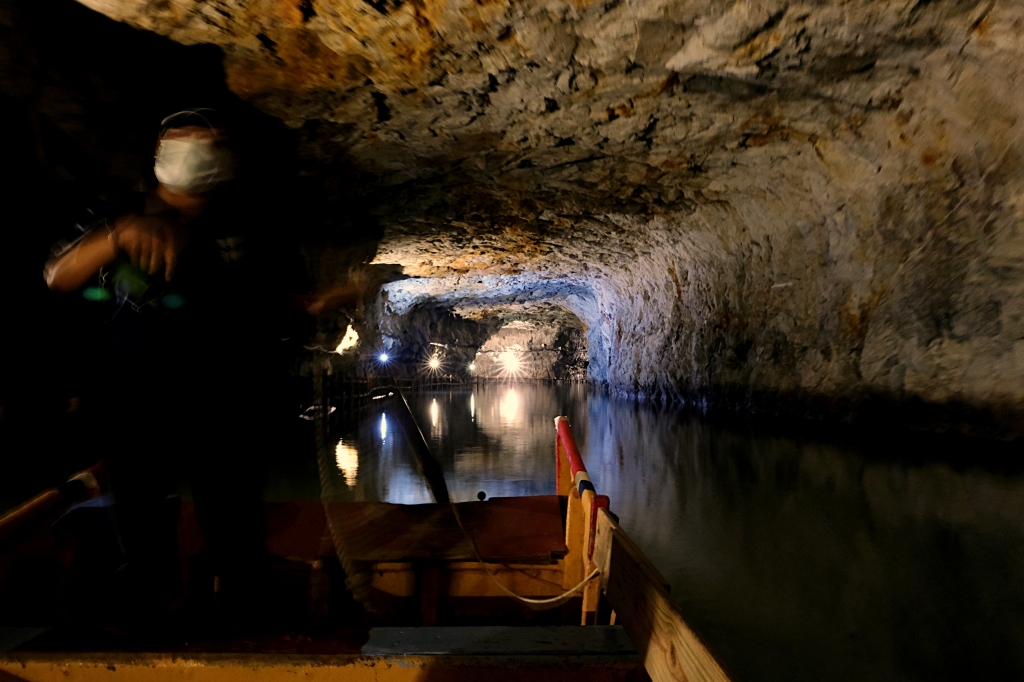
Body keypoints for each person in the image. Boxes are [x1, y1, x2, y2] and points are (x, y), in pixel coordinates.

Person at [45, 109, 354, 622]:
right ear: (158, 154)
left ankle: (244, 633)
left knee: (236, 533)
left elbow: (282, 301)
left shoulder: (253, 225)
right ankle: (151, 627)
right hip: (137, 401)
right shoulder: (122, 212)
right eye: (180, 141)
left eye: (208, 142)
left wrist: (324, 301)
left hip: (229, 402)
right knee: (143, 535)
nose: (193, 151)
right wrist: (121, 233)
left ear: (226, 158)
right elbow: (58, 275)